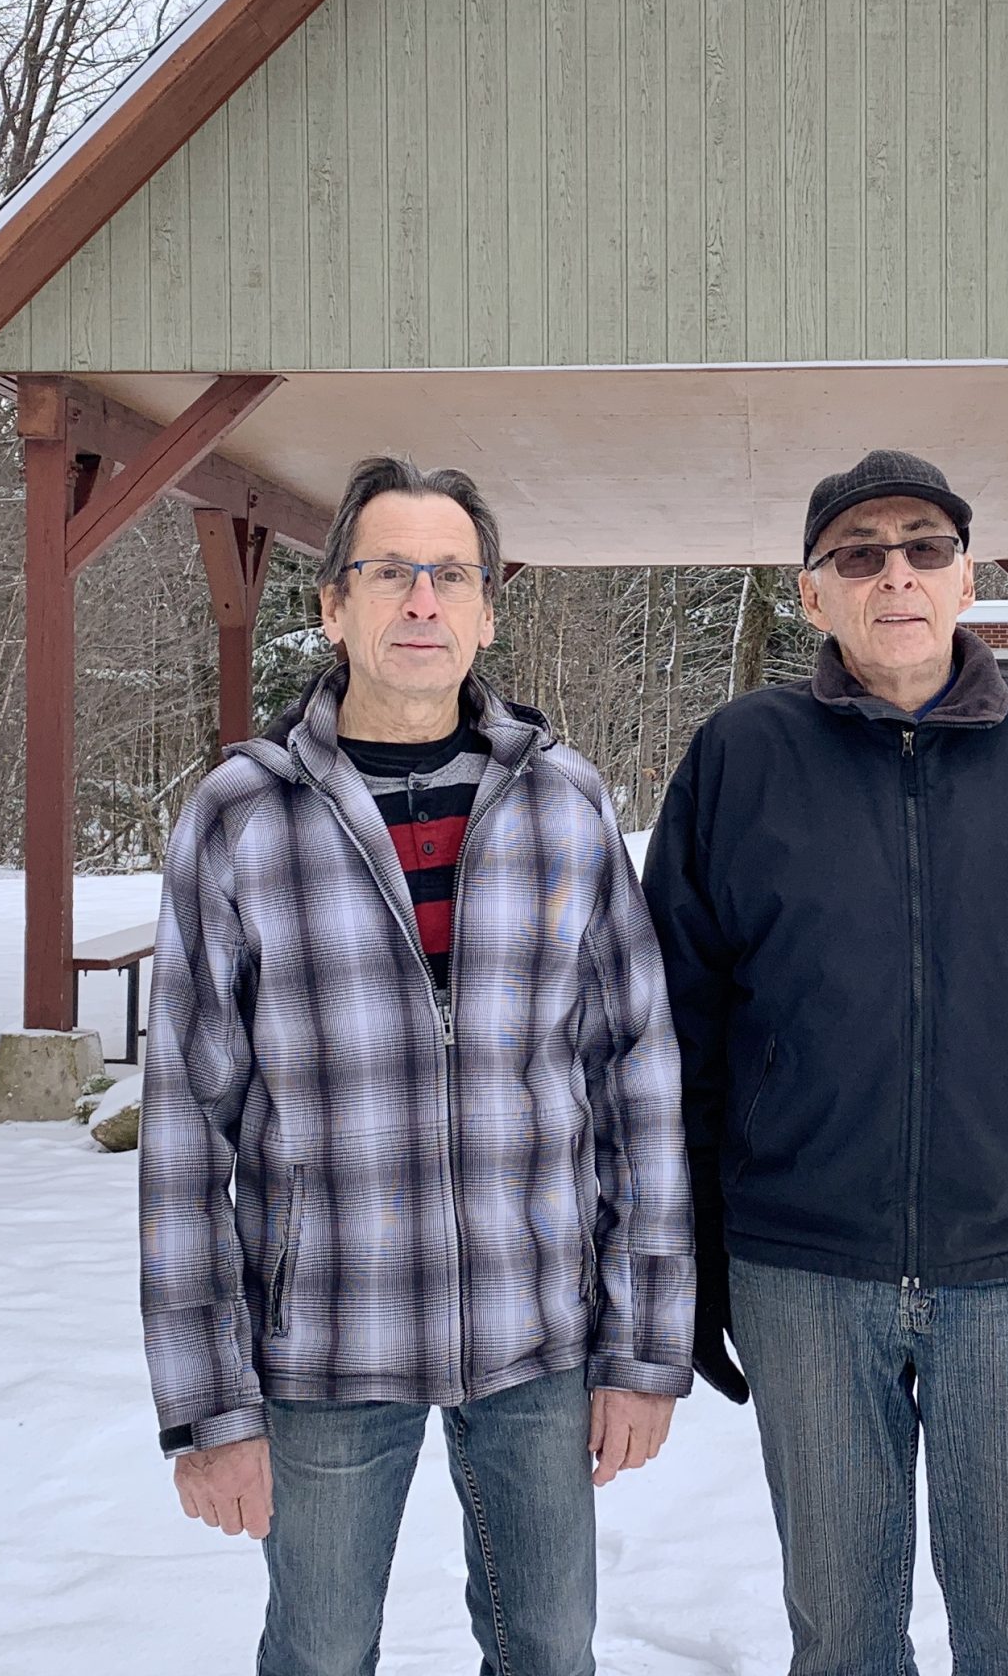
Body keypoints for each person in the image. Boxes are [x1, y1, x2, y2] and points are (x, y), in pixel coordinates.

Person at [644, 448, 1008, 1676]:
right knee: (842, 1641)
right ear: (812, 593)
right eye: (858, 555)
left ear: (968, 579)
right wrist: (684, 1246)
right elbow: (674, 1031)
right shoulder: (741, 757)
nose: (894, 575)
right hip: (802, 1274)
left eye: (924, 548)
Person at [141, 455, 693, 1676]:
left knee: (548, 1651)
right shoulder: (244, 815)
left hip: (537, 1333)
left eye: (452, 574)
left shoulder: (563, 804)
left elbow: (637, 1082)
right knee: (321, 1653)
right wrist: (209, 1405)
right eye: (390, 571)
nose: (423, 600)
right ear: (334, 607)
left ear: (488, 610)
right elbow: (185, 1126)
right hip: (328, 1339)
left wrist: (646, 1346)